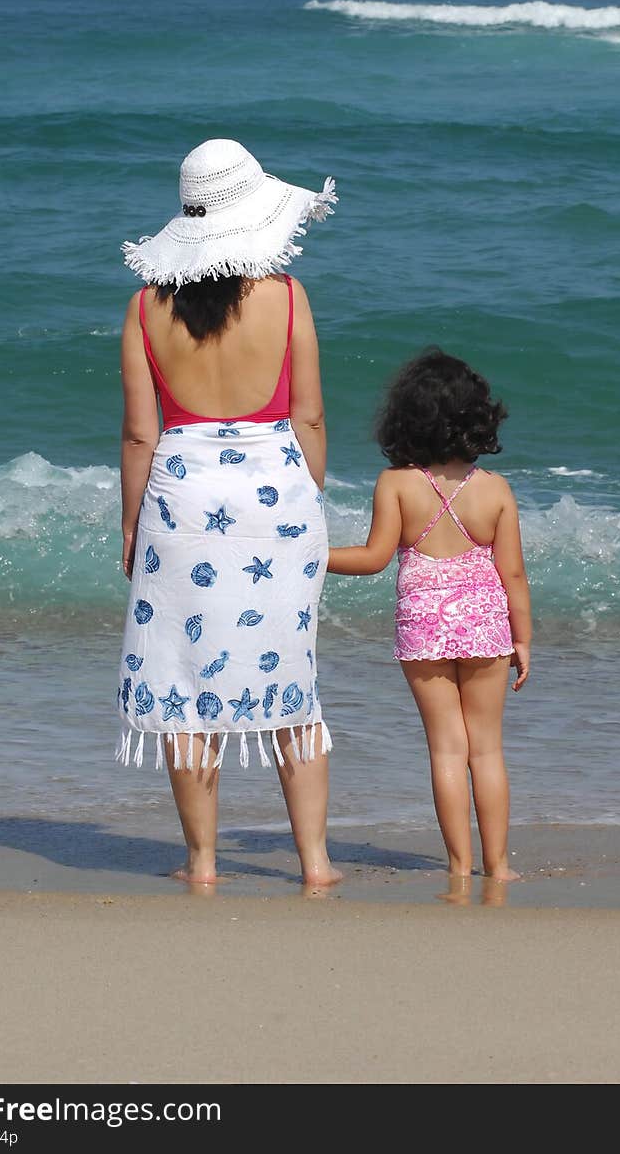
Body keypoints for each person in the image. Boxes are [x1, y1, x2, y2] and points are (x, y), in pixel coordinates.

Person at [116, 137, 342, 887]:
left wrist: (130, 523)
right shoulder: (286, 295)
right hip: (276, 496)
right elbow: (308, 417)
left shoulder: (146, 307)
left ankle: (204, 862)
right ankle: (314, 863)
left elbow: (141, 432)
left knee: (184, 683)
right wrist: (302, 501)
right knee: (292, 677)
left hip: (181, 498)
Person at [328, 350, 531, 881]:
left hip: (422, 622)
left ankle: (459, 867)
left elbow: (374, 559)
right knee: (486, 750)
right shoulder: (495, 490)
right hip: (487, 621)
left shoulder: (396, 483)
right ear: (477, 417)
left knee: (446, 747)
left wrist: (314, 556)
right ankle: (500, 866)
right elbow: (513, 576)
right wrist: (523, 639)